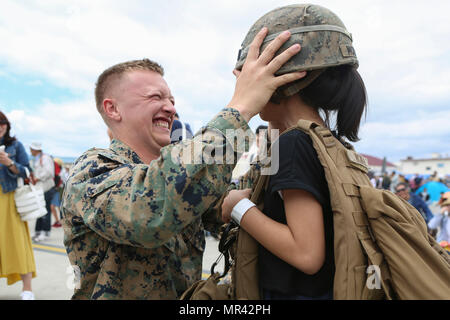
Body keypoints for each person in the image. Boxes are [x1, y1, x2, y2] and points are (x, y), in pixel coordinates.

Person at [61, 32, 306, 300]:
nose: (170, 109)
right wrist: (241, 108)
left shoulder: (181, 173)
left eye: (172, 101)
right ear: (113, 109)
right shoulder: (91, 172)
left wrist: (277, 125)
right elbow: (150, 213)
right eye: (155, 97)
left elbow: (243, 198)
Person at [221, 4, 366, 300]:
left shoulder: (294, 143)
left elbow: (307, 254)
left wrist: (237, 207)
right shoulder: (327, 143)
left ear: (284, 78)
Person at [0, 111, 37, 300]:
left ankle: (27, 289)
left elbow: (26, 171)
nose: (0, 126)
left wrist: (9, 163)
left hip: (10, 198)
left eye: (3, 123)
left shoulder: (15, 145)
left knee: (18, 242)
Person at [29, 142, 56, 242]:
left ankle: (45, 232)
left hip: (47, 188)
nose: (30, 151)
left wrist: (37, 178)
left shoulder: (45, 158)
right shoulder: (38, 158)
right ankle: (38, 231)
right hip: (41, 188)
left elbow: (49, 172)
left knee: (45, 210)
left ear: (35, 149)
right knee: (39, 210)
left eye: (31, 149)